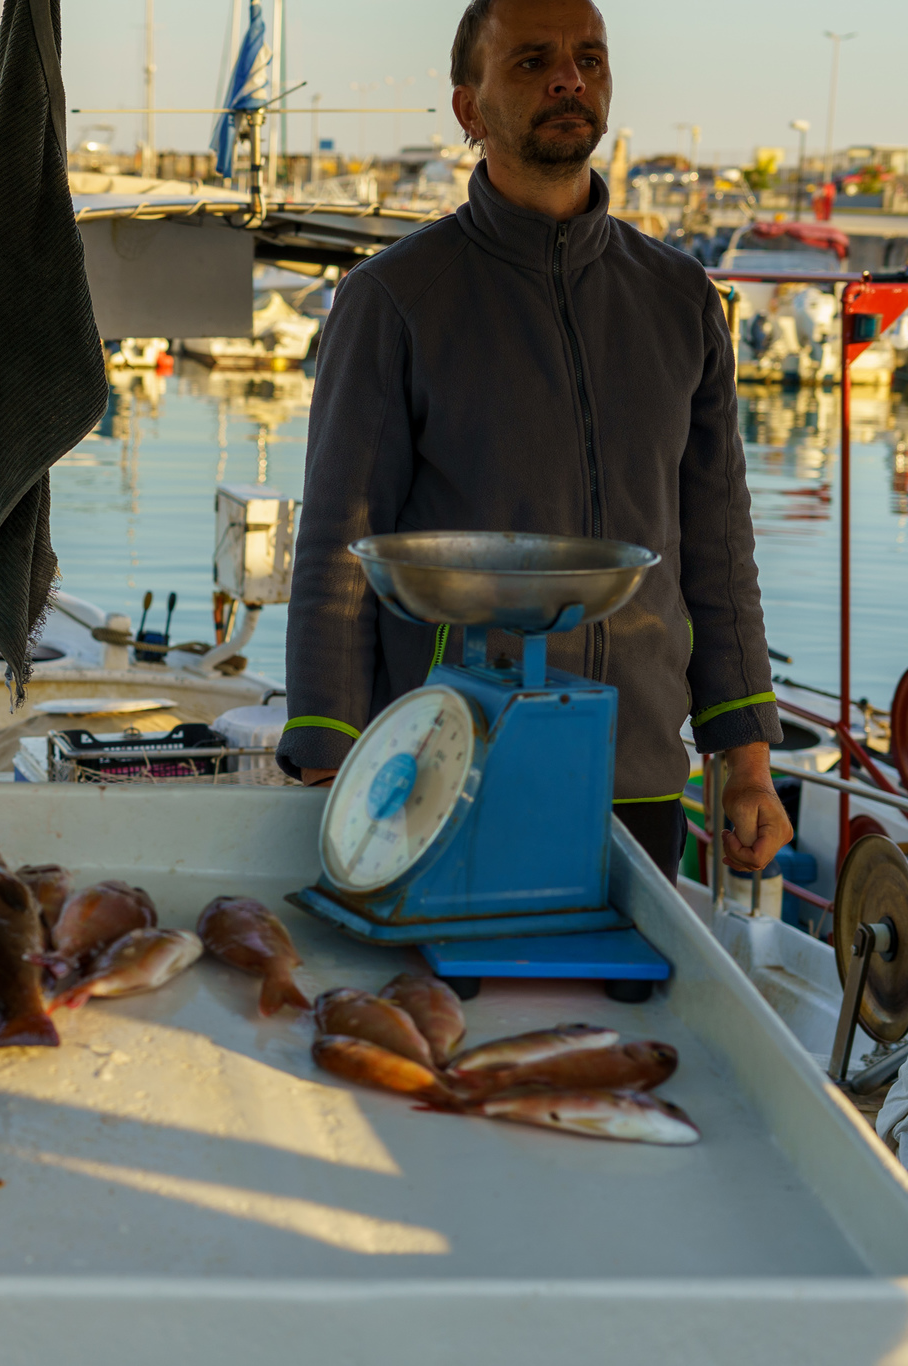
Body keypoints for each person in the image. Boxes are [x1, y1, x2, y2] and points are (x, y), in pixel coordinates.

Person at [274, 0, 792, 882]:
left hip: (639, 775)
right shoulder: (394, 297)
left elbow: (716, 544)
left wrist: (745, 756)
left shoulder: (679, 299)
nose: (569, 77)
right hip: (444, 766)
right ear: (468, 109)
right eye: (531, 62)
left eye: (590, 58)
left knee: (624, 1017)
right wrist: (331, 756)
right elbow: (337, 547)